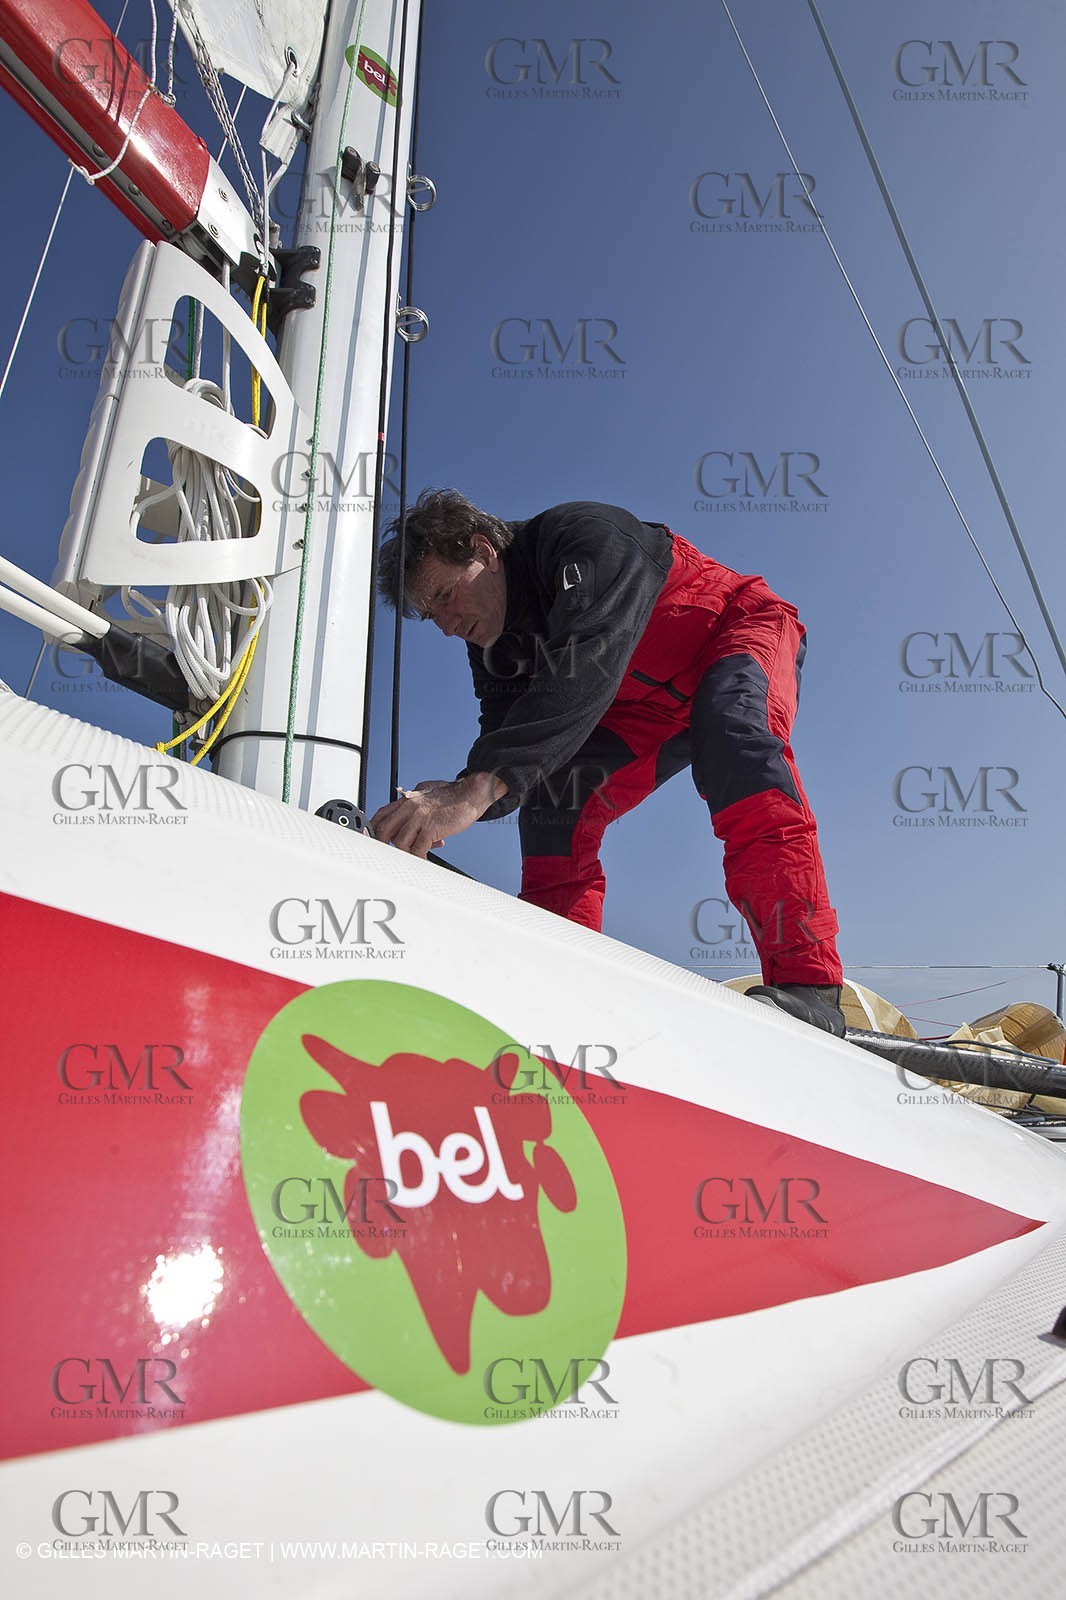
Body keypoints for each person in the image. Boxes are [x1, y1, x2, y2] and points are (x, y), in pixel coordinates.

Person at [371, 490, 846, 1035]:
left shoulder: (583, 537)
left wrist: (475, 788)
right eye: (433, 617)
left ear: (484, 549)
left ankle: (808, 985)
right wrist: (451, 802)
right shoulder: (492, 647)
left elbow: (587, 661)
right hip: (642, 706)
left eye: (448, 596)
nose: (448, 626)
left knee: (736, 742)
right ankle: (557, 976)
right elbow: (511, 751)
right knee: (553, 800)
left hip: (736, 631)